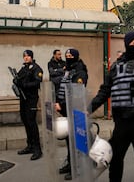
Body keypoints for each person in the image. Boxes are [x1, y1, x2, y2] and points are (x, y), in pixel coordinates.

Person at [89, 32, 134, 182]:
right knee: (115, 159)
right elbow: (105, 91)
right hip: (121, 122)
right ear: (127, 44)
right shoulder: (116, 67)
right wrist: (88, 108)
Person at [55, 48, 88, 181]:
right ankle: (70, 163)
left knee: (76, 140)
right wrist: (58, 102)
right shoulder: (68, 70)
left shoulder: (80, 71)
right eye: (66, 55)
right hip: (65, 108)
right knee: (69, 139)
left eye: (70, 55)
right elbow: (63, 88)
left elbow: (77, 94)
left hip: (75, 109)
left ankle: (77, 167)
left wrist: (62, 105)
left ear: (76, 57)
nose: (68, 57)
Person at [12, 49, 44, 161]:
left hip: (31, 99)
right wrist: (16, 81)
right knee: (25, 121)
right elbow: (19, 79)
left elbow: (37, 82)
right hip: (23, 99)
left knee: (31, 123)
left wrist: (24, 85)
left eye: (28, 56)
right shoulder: (24, 68)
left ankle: (37, 149)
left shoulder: (36, 68)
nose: (26, 58)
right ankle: (30, 145)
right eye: (24, 56)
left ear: (31, 57)